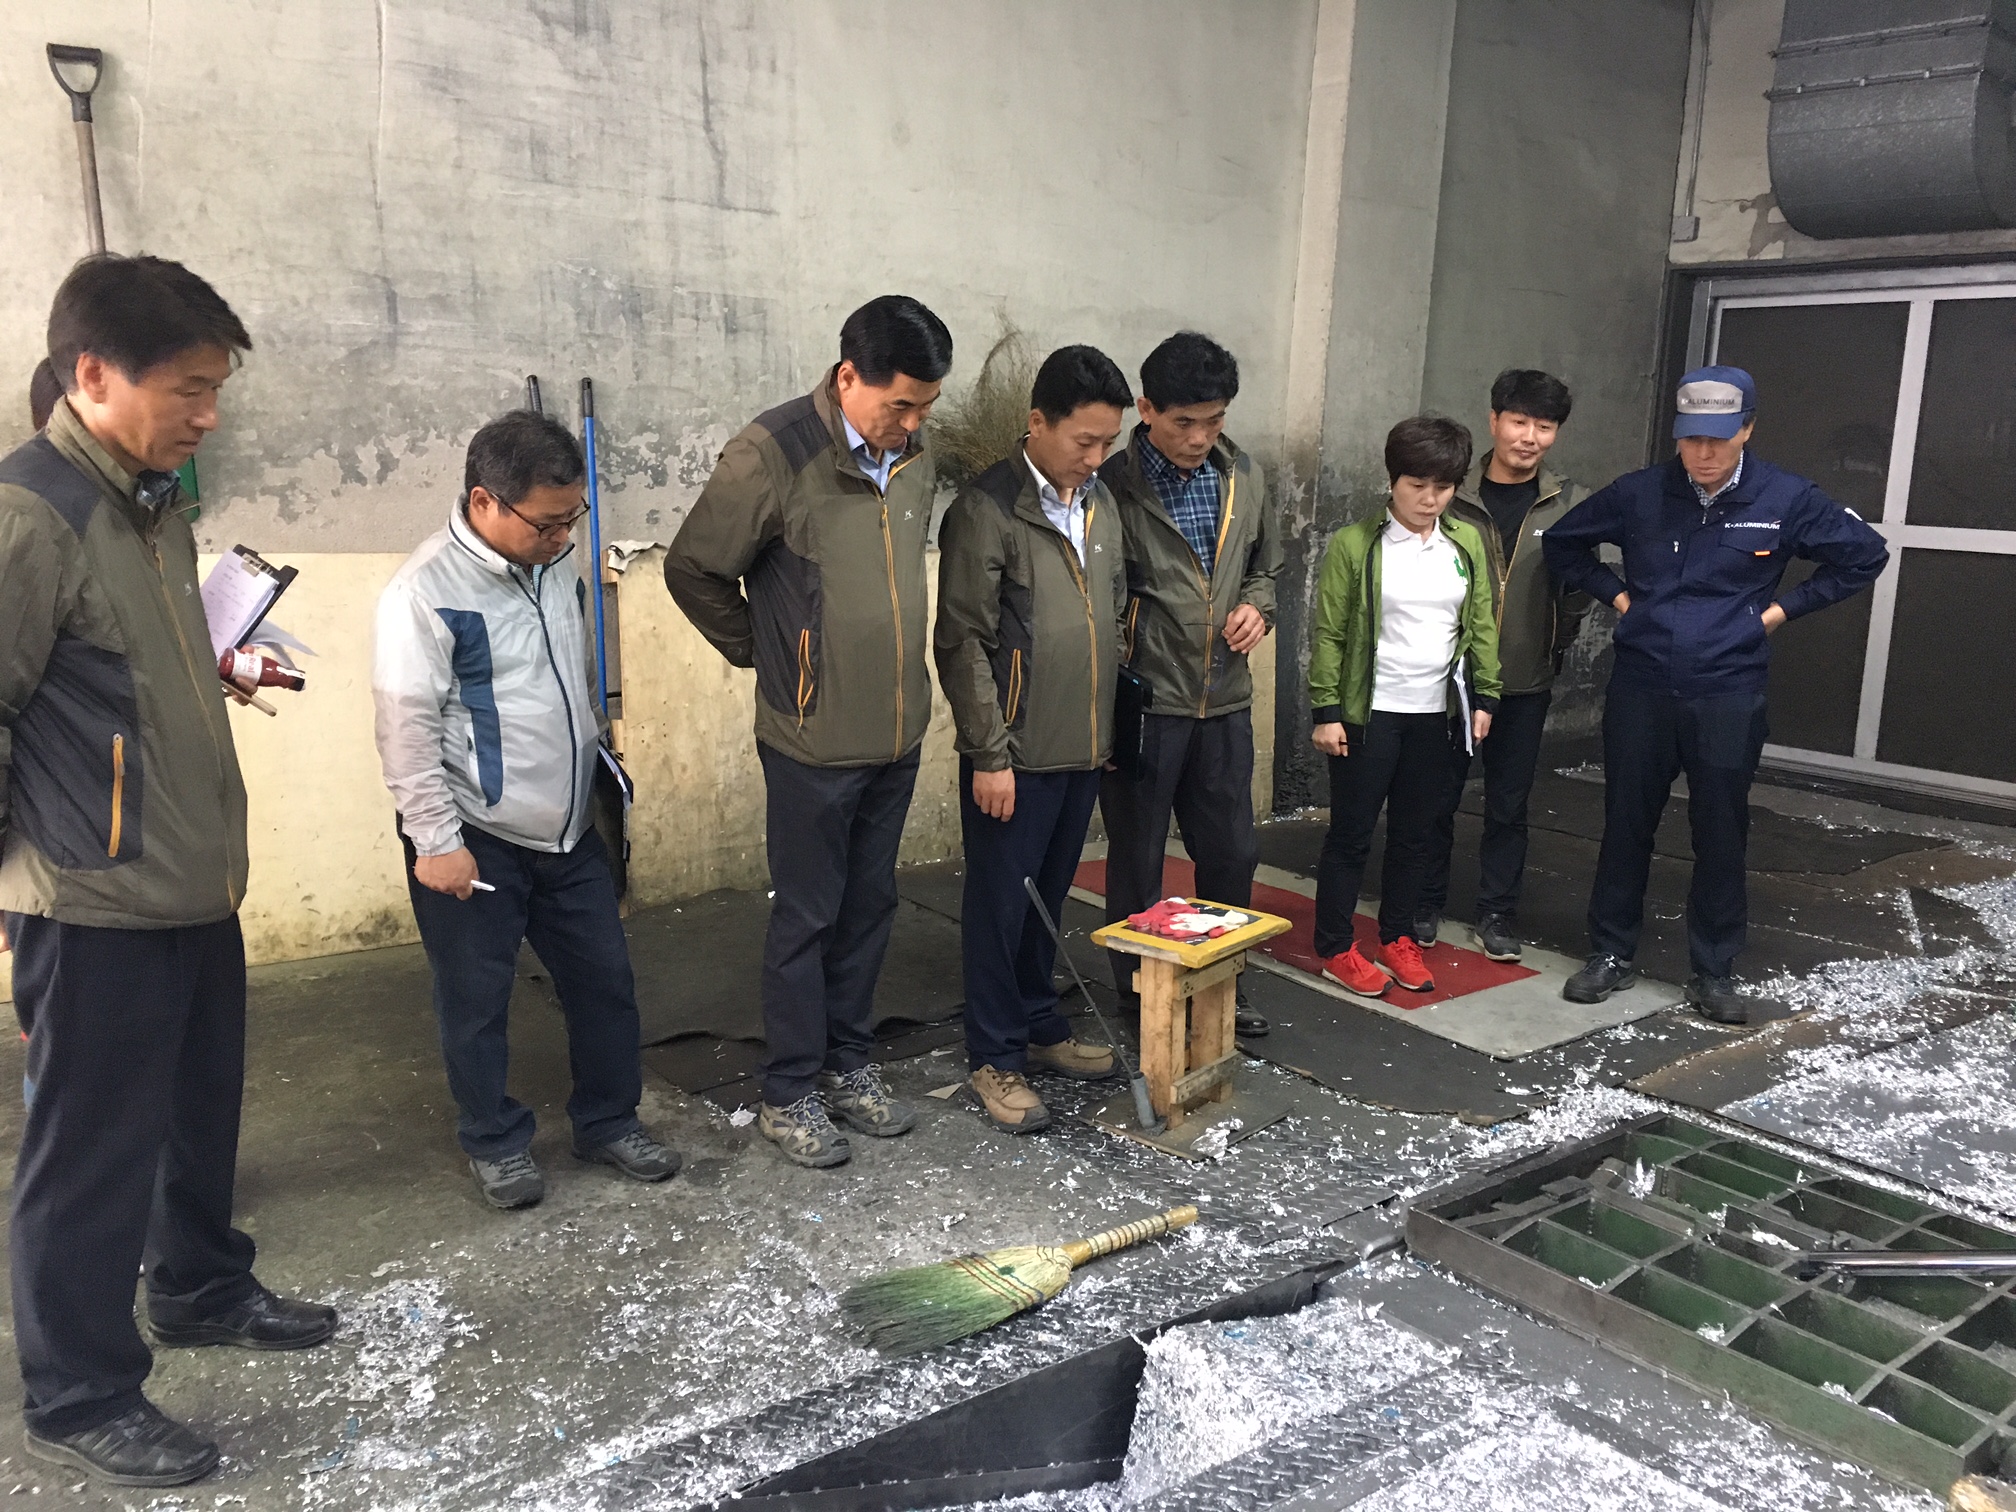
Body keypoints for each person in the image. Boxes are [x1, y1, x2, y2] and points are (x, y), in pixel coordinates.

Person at [0, 254, 335, 1489]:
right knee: (90, 1155)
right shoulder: (31, 515)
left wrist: (220, 669)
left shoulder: (149, 503)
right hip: (95, 899)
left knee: (199, 1115)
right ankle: (79, 1392)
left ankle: (198, 1285)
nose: (209, 416)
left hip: (190, 880)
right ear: (93, 374)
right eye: (190, 389)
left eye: (216, 390)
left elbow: (123, 668)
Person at [665, 295, 951, 1168]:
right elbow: (693, 568)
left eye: (925, 408)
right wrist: (771, 658)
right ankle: (789, 1090)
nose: (911, 424)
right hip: (811, 741)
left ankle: (849, 1064)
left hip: (896, 732)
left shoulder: (916, 457)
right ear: (848, 375)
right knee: (808, 916)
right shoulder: (772, 454)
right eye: (898, 405)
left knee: (870, 907)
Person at [374, 410, 677, 1210]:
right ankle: (495, 1140)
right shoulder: (425, 593)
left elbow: (570, 684)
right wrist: (435, 840)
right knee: (476, 1000)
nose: (563, 537)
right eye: (547, 523)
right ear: (484, 501)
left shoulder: (555, 571)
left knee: (605, 982)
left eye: (573, 518)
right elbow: (405, 730)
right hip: (477, 836)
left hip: (569, 829)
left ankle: (608, 1120)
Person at [1543, 365, 1889, 1024]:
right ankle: (1610, 953)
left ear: (1747, 430)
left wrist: (1777, 613)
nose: (1703, 454)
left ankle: (1714, 969)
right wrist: (1621, 598)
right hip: (1643, 686)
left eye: (1719, 439)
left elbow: (1864, 555)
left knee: (1721, 829)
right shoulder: (1640, 493)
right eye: (1691, 439)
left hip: (1727, 689)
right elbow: (1564, 544)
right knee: (1626, 822)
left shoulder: (1785, 497)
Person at [934, 346, 1131, 1134]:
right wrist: (989, 754)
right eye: (1084, 441)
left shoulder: (1100, 503)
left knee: (1047, 900)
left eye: (1108, 442)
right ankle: (994, 1055)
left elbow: (1110, 611)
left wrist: (1105, 724)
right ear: (1037, 423)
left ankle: (1040, 1024)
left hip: (1081, 745)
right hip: (1013, 755)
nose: (1096, 457)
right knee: (999, 907)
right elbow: (962, 642)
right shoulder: (988, 510)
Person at [1096, 332, 1281, 1037]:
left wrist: (1257, 606)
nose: (1201, 438)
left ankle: (1221, 984)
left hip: (1225, 698)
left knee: (1231, 853)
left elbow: (1266, 565)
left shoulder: (1245, 475)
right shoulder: (1112, 487)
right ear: (1146, 409)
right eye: (1184, 422)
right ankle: (1139, 993)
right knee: (1138, 857)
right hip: (1146, 703)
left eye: (1215, 419)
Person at [1307, 417, 1501, 1000]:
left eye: (1443, 486)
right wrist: (1326, 710)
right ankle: (1335, 947)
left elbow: (1481, 621)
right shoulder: (1355, 544)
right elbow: (1330, 633)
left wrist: (1486, 695)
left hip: (1436, 714)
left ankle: (1397, 937)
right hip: (1369, 713)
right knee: (1351, 835)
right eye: (1417, 484)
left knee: (1418, 834)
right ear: (1392, 479)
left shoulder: (1465, 542)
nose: (1430, 498)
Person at [1418, 370, 1591, 962]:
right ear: (1494, 421)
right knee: (1434, 798)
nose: (1530, 437)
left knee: (1509, 807)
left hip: (1523, 681)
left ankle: (1497, 913)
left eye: (1545, 426)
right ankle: (1423, 902)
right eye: (1519, 422)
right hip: (1448, 682)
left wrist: (1554, 641)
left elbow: (1578, 588)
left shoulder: (1569, 503)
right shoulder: (1451, 492)